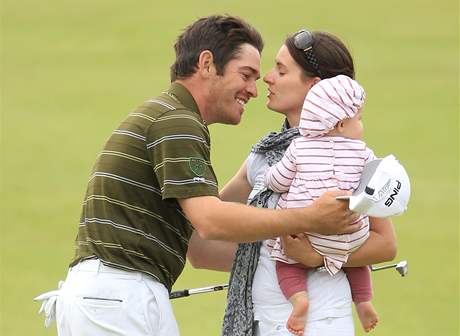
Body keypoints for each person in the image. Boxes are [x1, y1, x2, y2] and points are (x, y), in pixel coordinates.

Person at [34, 17, 361, 336]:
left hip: (122, 294)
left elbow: (200, 244)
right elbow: (210, 221)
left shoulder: (173, 117)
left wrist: (298, 257)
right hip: (119, 295)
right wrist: (308, 219)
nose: (255, 89)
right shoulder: (177, 122)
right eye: (246, 75)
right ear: (206, 64)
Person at [192, 29, 397, 336]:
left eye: (281, 70)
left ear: (315, 88)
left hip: (320, 321)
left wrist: (317, 257)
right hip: (259, 321)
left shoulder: (354, 159)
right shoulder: (263, 156)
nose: (268, 79)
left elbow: (385, 244)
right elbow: (202, 244)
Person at [264, 75, 378, 335]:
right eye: (358, 118)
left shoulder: (298, 147)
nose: (362, 125)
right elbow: (378, 177)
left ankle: (299, 300)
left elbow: (278, 181)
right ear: (340, 124)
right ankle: (363, 301)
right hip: (348, 235)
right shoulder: (362, 151)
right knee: (357, 263)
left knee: (286, 264)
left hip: (302, 235)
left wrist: (268, 176)